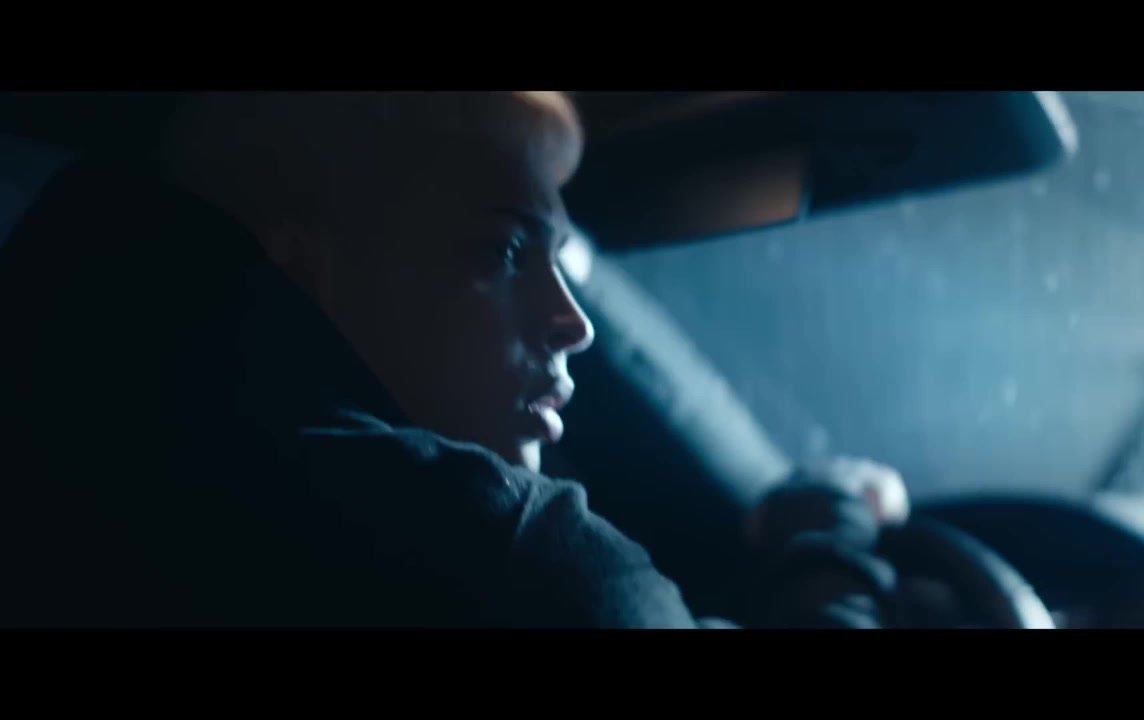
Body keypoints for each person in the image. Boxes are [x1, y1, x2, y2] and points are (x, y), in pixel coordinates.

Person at [0, 91, 905, 627]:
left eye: (563, 260)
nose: (575, 324)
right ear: (305, 270)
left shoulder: (69, 466)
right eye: (507, 250)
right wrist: (828, 545)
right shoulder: (518, 568)